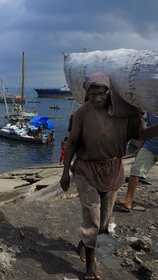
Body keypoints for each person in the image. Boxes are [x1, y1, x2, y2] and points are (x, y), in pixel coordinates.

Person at [60, 72, 158, 280]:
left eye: (101, 94)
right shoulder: (81, 115)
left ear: (109, 93)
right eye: (92, 94)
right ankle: (90, 267)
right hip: (86, 169)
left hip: (113, 170)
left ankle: (84, 242)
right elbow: (72, 144)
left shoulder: (125, 114)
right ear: (86, 94)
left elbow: (140, 135)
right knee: (92, 216)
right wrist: (65, 173)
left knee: (104, 222)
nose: (97, 99)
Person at [118, 112, 158, 211]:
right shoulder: (150, 110)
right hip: (150, 146)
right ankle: (128, 200)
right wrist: (140, 146)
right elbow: (146, 131)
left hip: (151, 145)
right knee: (136, 169)